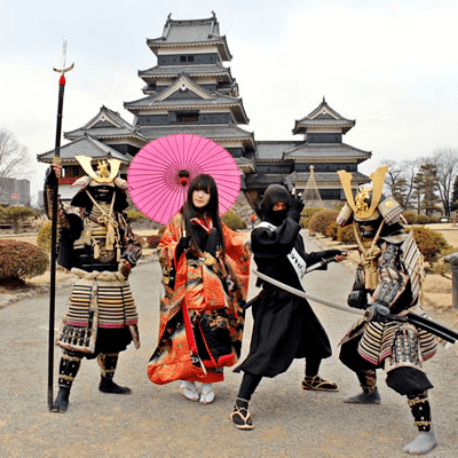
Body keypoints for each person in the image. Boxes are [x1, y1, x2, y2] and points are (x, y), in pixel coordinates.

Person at [336, 166, 438, 455]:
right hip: (378, 316)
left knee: (405, 373)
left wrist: (381, 301)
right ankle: (371, 393)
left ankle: (426, 431)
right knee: (350, 350)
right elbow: (366, 268)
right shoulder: (372, 245)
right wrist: (358, 291)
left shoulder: (395, 243)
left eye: (371, 224)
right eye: (361, 224)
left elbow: (396, 279)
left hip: (402, 318)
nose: (366, 229)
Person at [230, 183, 346, 430]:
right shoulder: (261, 234)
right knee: (265, 351)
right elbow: (281, 245)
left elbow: (302, 261)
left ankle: (310, 378)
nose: (281, 210)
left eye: (285, 206)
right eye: (277, 207)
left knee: (316, 340)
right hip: (274, 301)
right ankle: (241, 404)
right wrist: (293, 215)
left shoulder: (292, 233)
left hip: (295, 297)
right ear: (266, 207)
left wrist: (329, 255)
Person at [45, 157, 142, 413]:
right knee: (75, 338)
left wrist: (128, 259)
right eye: (98, 195)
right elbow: (55, 214)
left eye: (107, 195)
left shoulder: (120, 221)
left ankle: (107, 382)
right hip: (87, 285)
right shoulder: (77, 220)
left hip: (116, 285)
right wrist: (51, 183)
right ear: (85, 194)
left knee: (114, 337)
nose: (102, 201)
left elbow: (135, 244)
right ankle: (63, 392)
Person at [147, 174, 251, 404]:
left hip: (213, 285)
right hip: (186, 285)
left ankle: (208, 381)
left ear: (212, 196)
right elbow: (163, 248)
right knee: (187, 335)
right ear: (190, 192)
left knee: (213, 332)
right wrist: (177, 248)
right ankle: (187, 382)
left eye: (206, 191)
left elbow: (233, 243)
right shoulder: (179, 220)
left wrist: (252, 241)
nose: (200, 195)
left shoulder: (215, 221)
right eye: (196, 190)